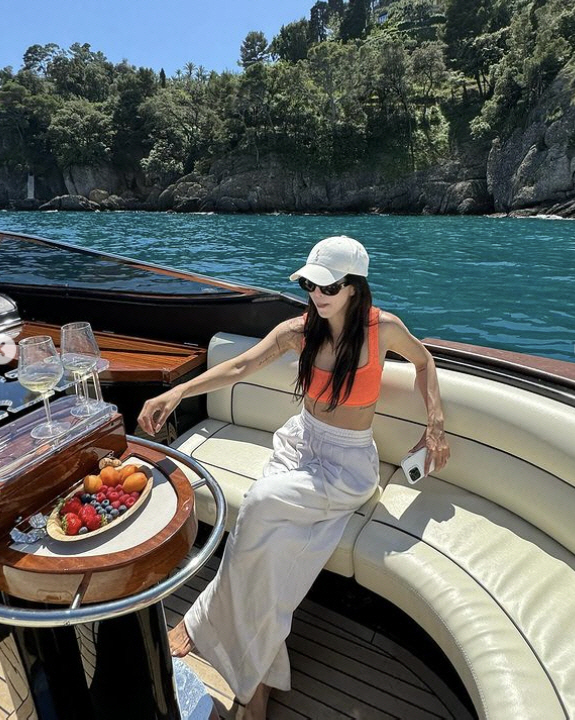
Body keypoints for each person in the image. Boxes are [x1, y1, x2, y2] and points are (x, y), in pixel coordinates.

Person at [137, 235, 450, 720]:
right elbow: (240, 365)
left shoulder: (383, 329)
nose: (317, 295)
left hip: (347, 466)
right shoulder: (298, 332)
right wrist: (177, 393)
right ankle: (257, 675)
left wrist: (435, 424)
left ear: (354, 286)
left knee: (257, 508)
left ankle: (208, 628)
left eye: (329, 286)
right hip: (299, 444)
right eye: (310, 284)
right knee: (264, 549)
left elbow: (424, 362)